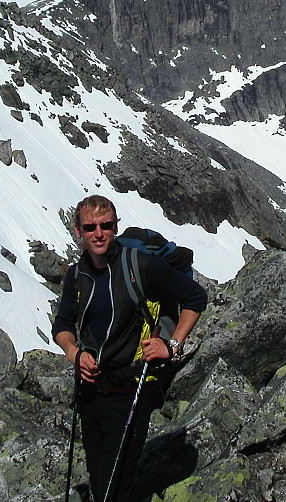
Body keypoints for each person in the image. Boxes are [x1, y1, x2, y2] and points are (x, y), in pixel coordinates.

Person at [52, 194, 207, 502]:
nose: (99, 233)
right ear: (78, 231)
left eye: (106, 225)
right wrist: (75, 354)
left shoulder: (141, 265)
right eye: (91, 227)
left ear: (115, 226)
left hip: (132, 389)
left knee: (113, 487)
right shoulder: (76, 274)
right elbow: (62, 325)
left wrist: (171, 345)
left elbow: (195, 298)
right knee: (100, 481)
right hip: (91, 391)